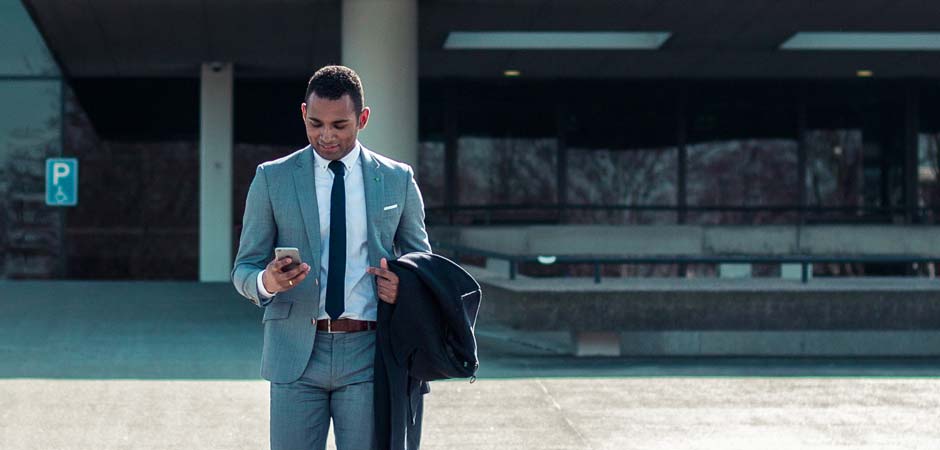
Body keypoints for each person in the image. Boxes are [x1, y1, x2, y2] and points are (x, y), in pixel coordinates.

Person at [231, 65, 431, 450]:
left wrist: (405, 287)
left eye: (340, 125)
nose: (326, 136)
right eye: (315, 123)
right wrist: (266, 282)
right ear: (303, 113)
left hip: (370, 352)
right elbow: (244, 268)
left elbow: (423, 263)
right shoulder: (272, 178)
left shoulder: (397, 179)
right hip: (294, 354)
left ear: (363, 118)